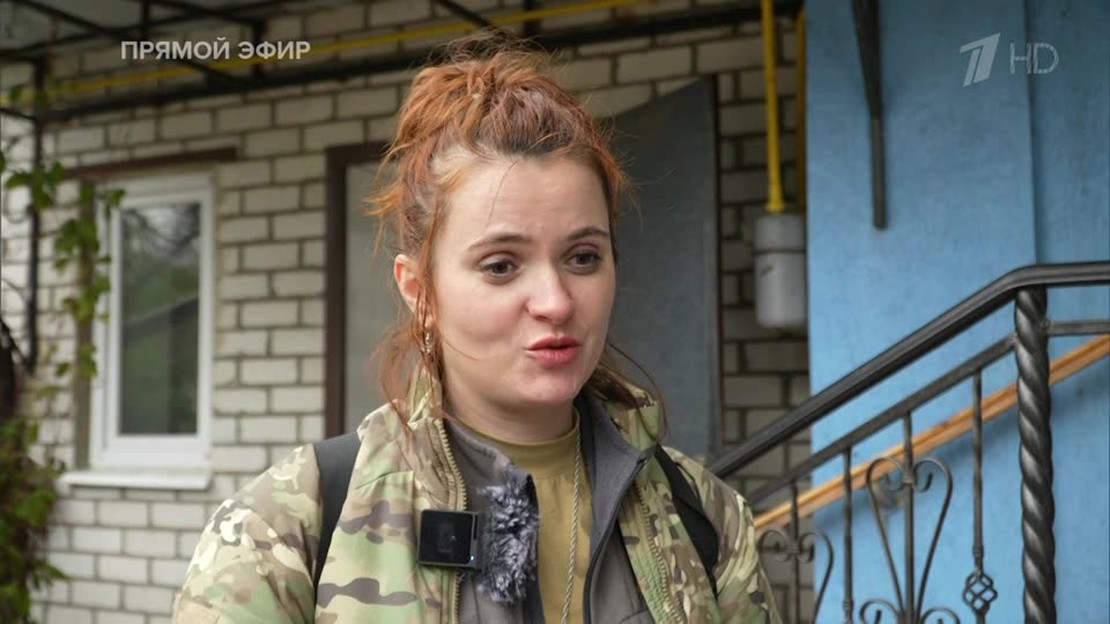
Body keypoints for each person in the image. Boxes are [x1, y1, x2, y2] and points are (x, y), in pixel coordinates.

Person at [174, 32, 781, 624]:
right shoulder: (285, 530)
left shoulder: (705, 518)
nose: (555, 301)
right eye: (500, 266)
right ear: (420, 291)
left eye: (583, 257)